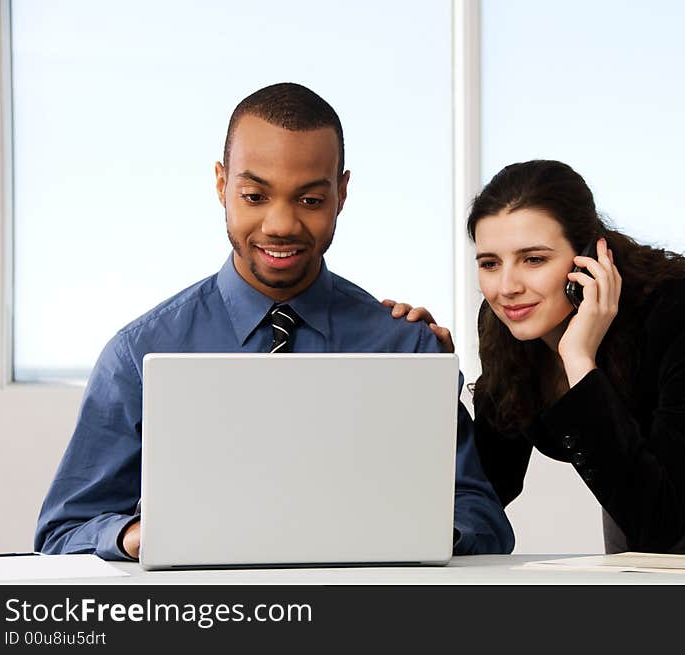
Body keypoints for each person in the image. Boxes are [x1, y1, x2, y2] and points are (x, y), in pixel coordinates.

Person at [34, 83, 514, 560]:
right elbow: (62, 533)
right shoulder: (137, 354)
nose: (280, 224)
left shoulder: (405, 347)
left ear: (341, 194)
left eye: (309, 200)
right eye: (254, 195)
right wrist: (132, 536)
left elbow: (483, 519)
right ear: (222, 184)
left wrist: (407, 532)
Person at [387, 159, 685, 554]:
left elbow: (658, 523)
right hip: (647, 490)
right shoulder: (508, 325)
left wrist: (578, 359)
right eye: (489, 263)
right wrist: (431, 382)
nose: (506, 287)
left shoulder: (681, 312)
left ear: (589, 255)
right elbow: (489, 485)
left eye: (533, 259)